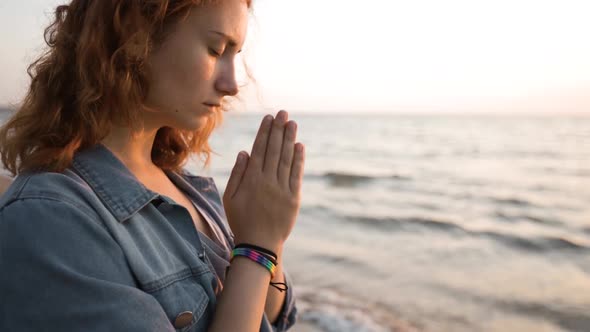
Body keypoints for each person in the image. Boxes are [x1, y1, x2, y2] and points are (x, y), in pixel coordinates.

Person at [0, 0, 305, 331]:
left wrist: (269, 236)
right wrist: (255, 247)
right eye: (216, 50)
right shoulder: (48, 220)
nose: (232, 84)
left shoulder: (192, 190)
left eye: (237, 54)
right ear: (136, 37)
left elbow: (273, 318)